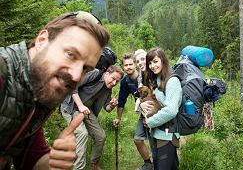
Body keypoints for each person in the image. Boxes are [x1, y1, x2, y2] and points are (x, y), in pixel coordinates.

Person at [0, 11, 110, 170]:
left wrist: (53, 162)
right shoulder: (3, 73)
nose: (76, 75)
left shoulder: (40, 85)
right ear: (42, 40)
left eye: (86, 68)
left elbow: (31, 156)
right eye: (71, 54)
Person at [61, 65, 123, 170]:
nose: (114, 83)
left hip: (87, 111)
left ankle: (94, 164)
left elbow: (107, 108)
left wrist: (112, 105)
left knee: (100, 137)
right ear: (107, 73)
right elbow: (72, 86)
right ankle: (78, 168)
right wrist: (80, 106)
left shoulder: (108, 89)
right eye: (113, 79)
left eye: (117, 82)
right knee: (82, 133)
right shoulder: (94, 74)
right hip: (71, 107)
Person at [141, 47, 182, 170]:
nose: (152, 66)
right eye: (150, 63)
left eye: (155, 61)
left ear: (163, 61)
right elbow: (153, 99)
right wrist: (141, 104)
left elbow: (171, 110)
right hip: (157, 134)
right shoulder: (157, 80)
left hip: (167, 136)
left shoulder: (172, 81)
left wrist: (150, 122)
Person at [113, 52, 154, 170]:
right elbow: (121, 101)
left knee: (155, 141)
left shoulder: (146, 75)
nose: (129, 67)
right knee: (137, 139)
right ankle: (148, 164)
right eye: (126, 65)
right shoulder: (125, 82)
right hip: (143, 112)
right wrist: (118, 118)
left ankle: (161, 164)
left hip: (155, 110)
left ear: (135, 64)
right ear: (123, 67)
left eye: (131, 64)